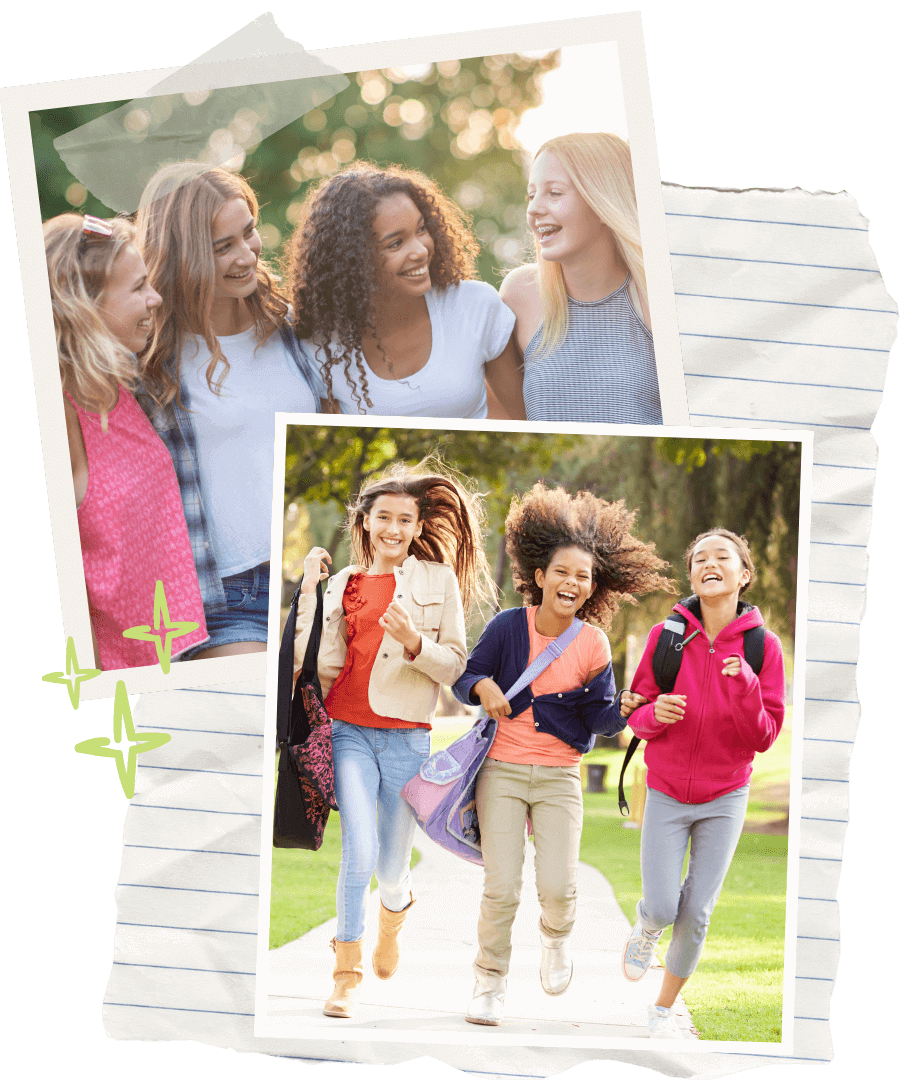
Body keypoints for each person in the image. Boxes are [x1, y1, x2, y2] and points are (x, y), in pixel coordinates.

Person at [452, 483, 674, 1025]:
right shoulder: (508, 626)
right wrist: (484, 690)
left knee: (557, 886)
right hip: (501, 771)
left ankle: (556, 939)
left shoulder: (593, 644)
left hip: (558, 777)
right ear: (540, 576)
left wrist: (622, 707)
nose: (572, 582)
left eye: (584, 576)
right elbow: (467, 677)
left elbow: (597, 722)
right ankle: (489, 980)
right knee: (501, 887)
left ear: (592, 586)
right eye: (563, 572)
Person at [293, 462, 495, 1019]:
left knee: (390, 868)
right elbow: (308, 656)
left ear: (415, 525)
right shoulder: (343, 584)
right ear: (365, 520)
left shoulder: (438, 580)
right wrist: (309, 586)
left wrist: (413, 642)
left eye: (405, 519)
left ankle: (392, 920)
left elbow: (455, 665)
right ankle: (345, 975)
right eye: (384, 516)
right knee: (356, 855)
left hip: (407, 739)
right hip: (347, 730)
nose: (394, 528)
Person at [134, 162, 324, 659]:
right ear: (183, 256)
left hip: (302, 585)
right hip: (219, 599)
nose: (247, 255)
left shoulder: (291, 323)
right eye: (223, 247)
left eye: (249, 232)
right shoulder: (149, 356)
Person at [618, 529, 786, 1038]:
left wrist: (745, 685)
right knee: (667, 905)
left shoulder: (764, 648)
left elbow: (764, 736)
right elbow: (637, 719)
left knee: (697, 914)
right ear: (691, 575)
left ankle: (662, 1012)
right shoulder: (665, 637)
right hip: (666, 789)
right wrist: (655, 714)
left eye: (722, 557)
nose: (709, 564)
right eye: (699, 559)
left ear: (744, 574)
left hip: (726, 795)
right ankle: (648, 923)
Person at [46, 212, 209, 670]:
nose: (154, 298)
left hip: (181, 655)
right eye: (138, 288)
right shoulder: (60, 416)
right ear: (84, 304)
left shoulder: (120, 390)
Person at [284, 161, 526, 420]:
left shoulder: (475, 305)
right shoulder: (321, 346)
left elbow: (525, 421)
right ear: (352, 260)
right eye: (396, 243)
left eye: (421, 229)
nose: (421, 251)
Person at [500, 132, 663, 424]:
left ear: (603, 202)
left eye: (554, 193)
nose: (534, 209)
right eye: (532, 194)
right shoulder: (520, 295)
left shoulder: (657, 295)